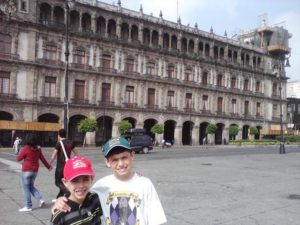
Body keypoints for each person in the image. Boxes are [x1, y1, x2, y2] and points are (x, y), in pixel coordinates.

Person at [53, 137, 167, 225]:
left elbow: (156, 219)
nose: (121, 164)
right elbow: (79, 191)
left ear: (132, 155)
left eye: (124, 157)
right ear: (107, 162)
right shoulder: (100, 186)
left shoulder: (145, 184)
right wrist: (61, 201)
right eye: (115, 160)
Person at [50, 156, 102, 225]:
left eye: (85, 179)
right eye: (74, 181)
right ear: (65, 182)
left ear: (91, 179)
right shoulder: (61, 214)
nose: (81, 185)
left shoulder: (95, 199)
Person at [17, 133, 52, 212]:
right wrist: (48, 167)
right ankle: (40, 199)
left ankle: (28, 206)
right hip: (35, 171)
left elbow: (18, 158)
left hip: (26, 170)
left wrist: (21, 152)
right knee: (31, 186)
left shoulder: (26, 148)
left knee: (26, 188)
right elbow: (43, 159)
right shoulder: (38, 149)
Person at [49, 129, 79, 200]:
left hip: (60, 167)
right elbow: (77, 154)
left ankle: (68, 192)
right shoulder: (71, 142)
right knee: (63, 181)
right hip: (68, 166)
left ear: (59, 135)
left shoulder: (59, 143)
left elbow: (53, 156)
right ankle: (59, 197)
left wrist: (49, 163)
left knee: (58, 182)